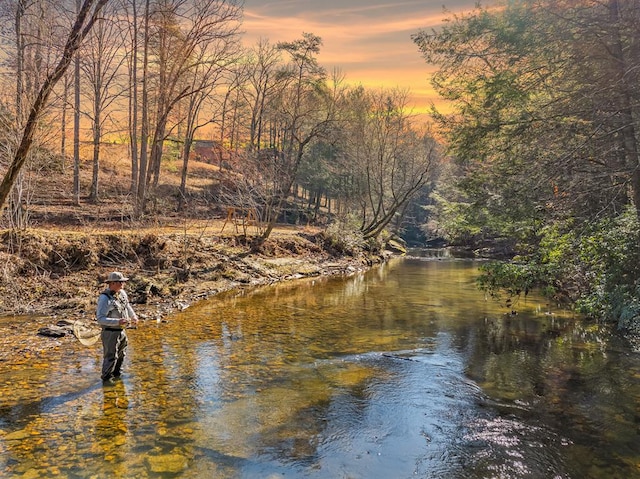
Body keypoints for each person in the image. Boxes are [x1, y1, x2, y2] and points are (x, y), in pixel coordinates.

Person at [96, 271, 139, 383]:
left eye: (123, 282)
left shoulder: (122, 293)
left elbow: (127, 306)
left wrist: (133, 316)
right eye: (120, 282)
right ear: (112, 283)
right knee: (110, 357)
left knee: (121, 354)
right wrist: (118, 322)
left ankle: (117, 376)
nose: (122, 284)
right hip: (109, 332)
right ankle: (106, 380)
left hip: (121, 331)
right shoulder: (104, 298)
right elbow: (100, 318)